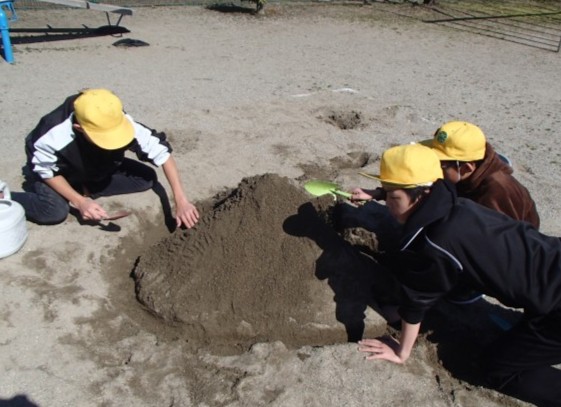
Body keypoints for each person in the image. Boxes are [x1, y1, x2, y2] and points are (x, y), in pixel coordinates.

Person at [357, 143, 561, 407]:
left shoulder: (435, 241)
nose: (388, 205)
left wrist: (401, 351)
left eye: (392, 197)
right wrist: (379, 193)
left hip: (556, 307)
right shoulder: (456, 203)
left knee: (498, 367)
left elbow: (417, 300)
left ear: (420, 194)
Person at [7, 88, 199, 228]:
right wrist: (79, 202)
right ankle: (6, 197)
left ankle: (83, 188)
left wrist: (181, 201)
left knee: (146, 178)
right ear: (79, 129)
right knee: (54, 212)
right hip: (60, 171)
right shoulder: (52, 136)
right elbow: (46, 171)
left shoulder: (116, 118)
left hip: (95, 163)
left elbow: (162, 153)